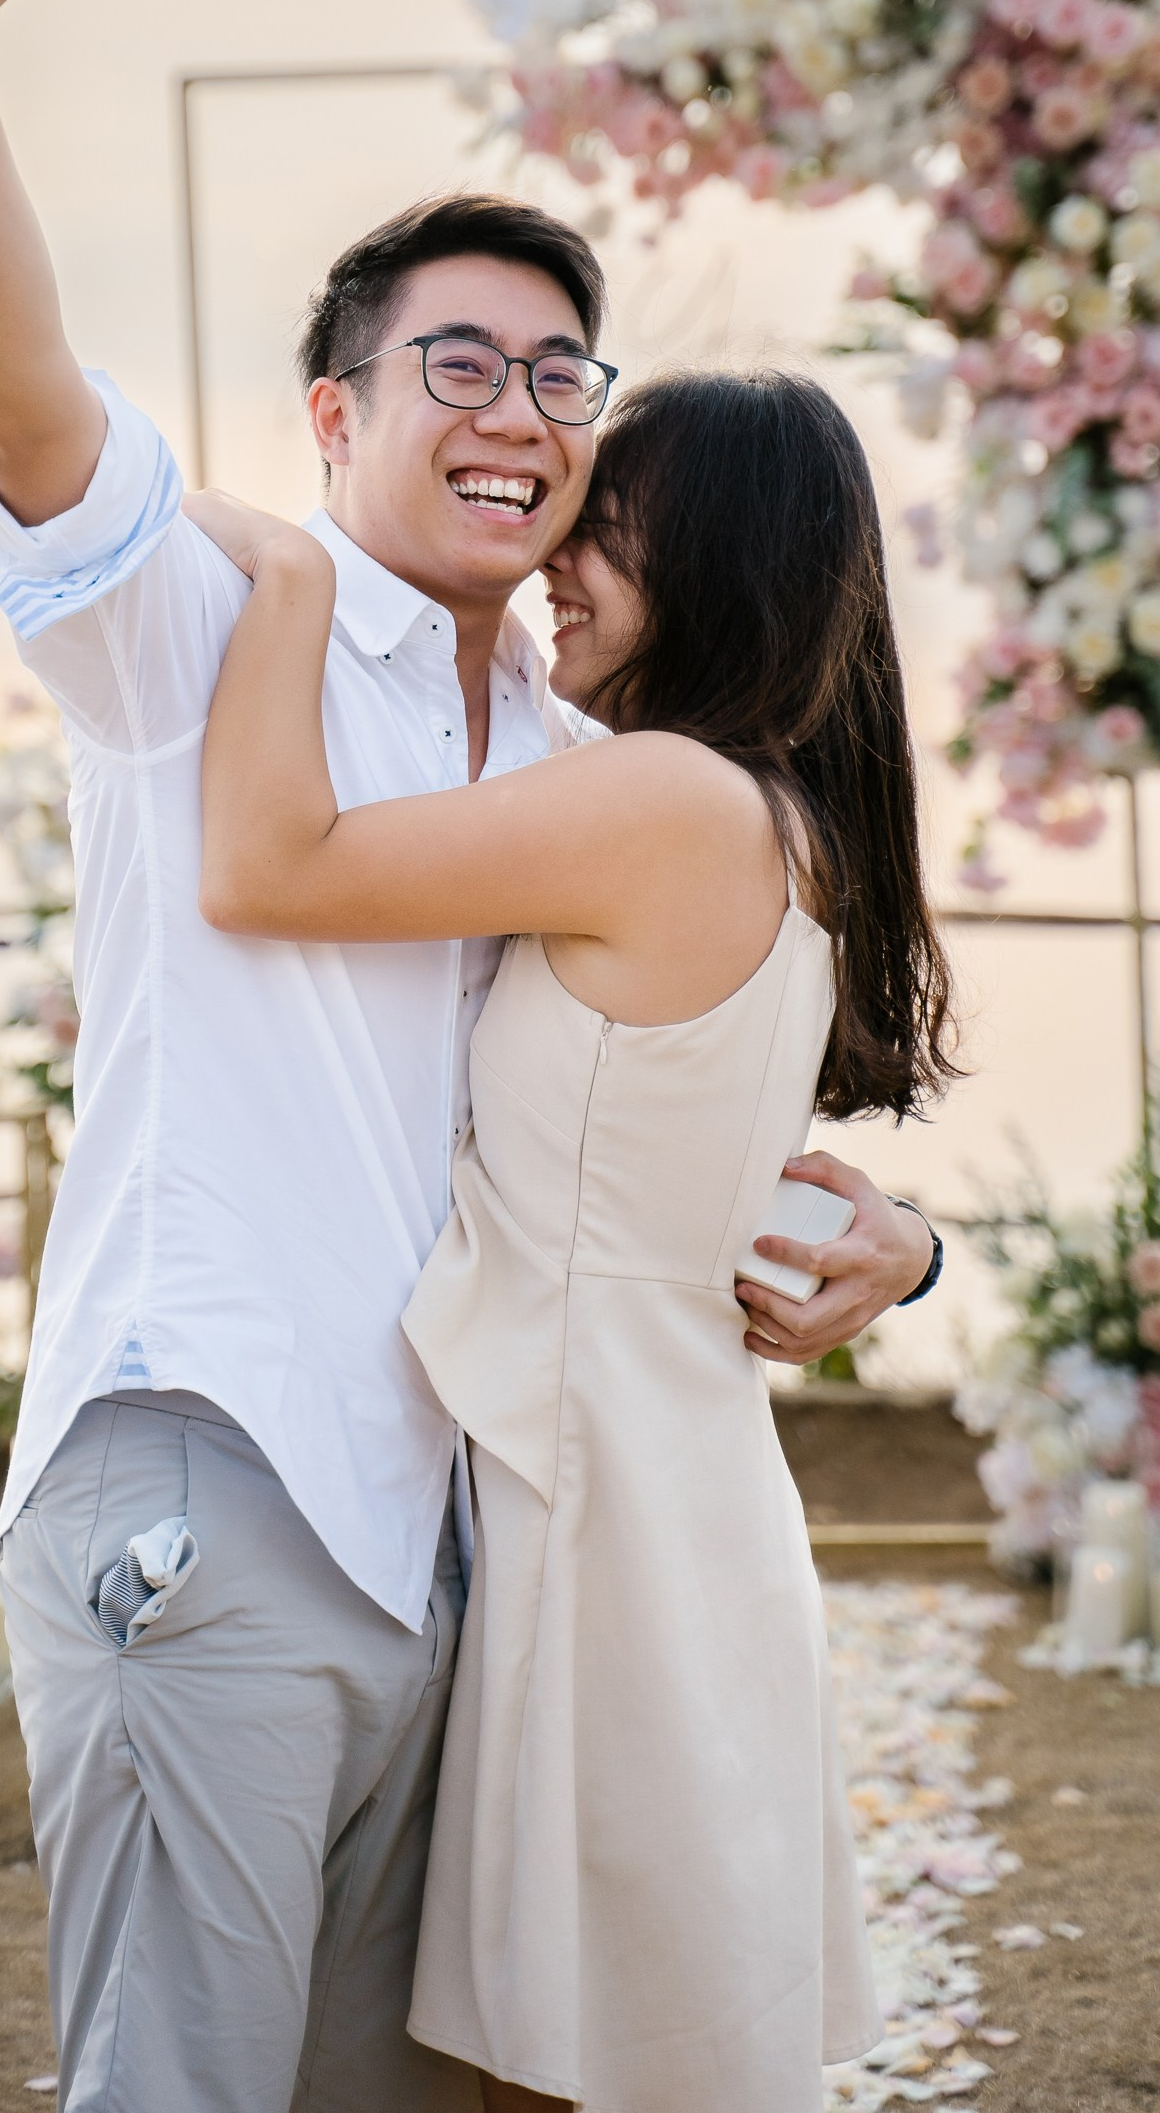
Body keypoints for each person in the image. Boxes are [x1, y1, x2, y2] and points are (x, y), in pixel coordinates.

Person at [0, 0, 942, 2113]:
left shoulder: (579, 757)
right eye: (454, 358)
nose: (520, 408)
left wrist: (901, 1242)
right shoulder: (196, 629)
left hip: (451, 1541)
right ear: (335, 415)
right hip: (218, 1468)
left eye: (566, 376)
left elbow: (650, 1109)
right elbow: (19, 386)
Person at [188, 369, 958, 2112]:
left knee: (571, 2063)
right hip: (649, 1483)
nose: (558, 551)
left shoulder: (672, 804)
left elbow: (264, 869)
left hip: (593, 1508)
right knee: (587, 2054)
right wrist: (909, 1248)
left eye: (608, 519)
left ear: (716, 553)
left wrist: (299, 587)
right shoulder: (767, 817)